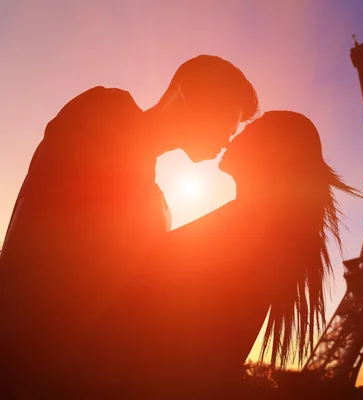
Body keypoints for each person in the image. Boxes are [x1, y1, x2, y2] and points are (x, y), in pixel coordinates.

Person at [0, 55, 258, 398]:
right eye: (229, 121)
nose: (228, 139)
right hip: (27, 356)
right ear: (189, 89)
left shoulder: (157, 204)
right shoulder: (104, 111)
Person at [123, 111, 360, 398]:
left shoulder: (251, 226)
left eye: (249, 131)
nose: (235, 136)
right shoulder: (263, 226)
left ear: (270, 150)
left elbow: (147, 289)